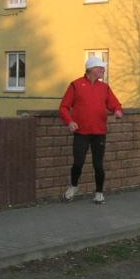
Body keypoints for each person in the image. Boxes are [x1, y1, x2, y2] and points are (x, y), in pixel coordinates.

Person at [59, 56, 123, 204]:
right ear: (91, 69)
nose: (103, 70)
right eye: (100, 68)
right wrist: (70, 121)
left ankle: (99, 193)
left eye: (103, 68)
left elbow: (114, 103)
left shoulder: (104, 87)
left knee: (98, 164)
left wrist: (118, 110)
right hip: (81, 132)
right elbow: (63, 107)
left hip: (99, 132)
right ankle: (73, 186)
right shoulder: (76, 85)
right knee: (78, 162)